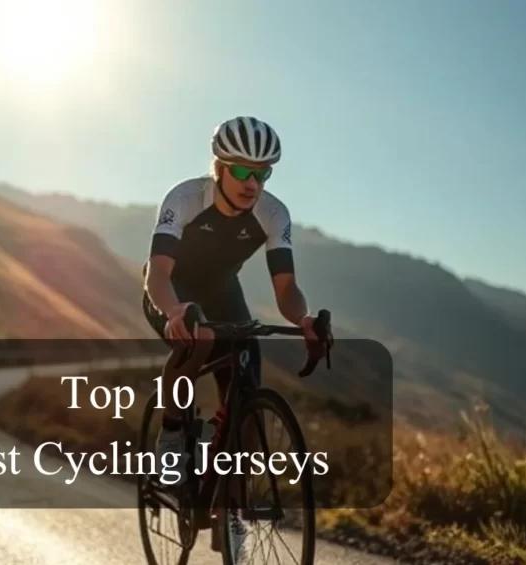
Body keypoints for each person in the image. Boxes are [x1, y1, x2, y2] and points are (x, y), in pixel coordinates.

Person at [141, 116, 326, 556]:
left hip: (224, 292)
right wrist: (174, 311)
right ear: (219, 167)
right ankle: (171, 436)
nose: (252, 183)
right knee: (200, 339)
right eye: (242, 171)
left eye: (262, 173)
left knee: (247, 399)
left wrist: (304, 320)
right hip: (171, 289)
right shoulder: (184, 198)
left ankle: (230, 512)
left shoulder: (273, 213)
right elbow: (158, 274)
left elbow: (286, 290)